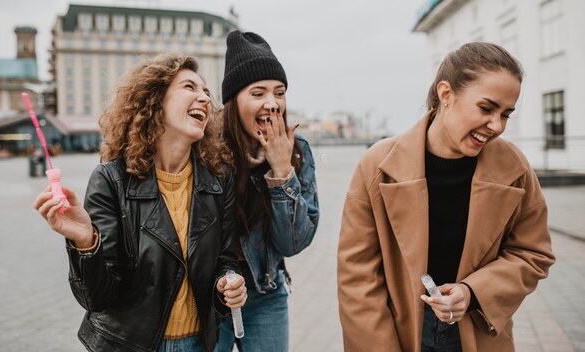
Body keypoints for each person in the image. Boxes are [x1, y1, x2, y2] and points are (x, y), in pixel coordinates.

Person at [337, 42, 555, 351]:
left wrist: (473, 292)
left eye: (506, 114)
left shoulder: (515, 168)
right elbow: (357, 279)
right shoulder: (377, 166)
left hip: (477, 329)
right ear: (446, 94)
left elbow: (533, 254)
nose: (496, 126)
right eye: (486, 108)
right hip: (396, 332)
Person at [33, 54, 247, 352]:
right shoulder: (111, 180)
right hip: (128, 345)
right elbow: (98, 298)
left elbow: (225, 258)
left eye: (206, 93)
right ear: (155, 100)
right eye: (190, 87)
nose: (205, 99)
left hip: (199, 343)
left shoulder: (217, 180)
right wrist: (85, 242)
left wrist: (229, 282)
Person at [214, 31, 320, 352]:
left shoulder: (297, 150)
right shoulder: (209, 150)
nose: (272, 104)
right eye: (258, 93)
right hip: (211, 296)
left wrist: (282, 171)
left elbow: (292, 243)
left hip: (266, 292)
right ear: (234, 101)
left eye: (279, 92)